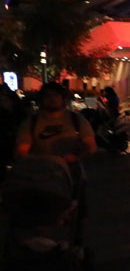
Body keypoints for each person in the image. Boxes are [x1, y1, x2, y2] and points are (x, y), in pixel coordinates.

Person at [14, 83, 97, 243]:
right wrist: (36, 159)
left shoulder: (76, 120)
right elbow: (21, 150)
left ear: (63, 99)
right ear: (41, 100)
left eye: (55, 96)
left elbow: (90, 146)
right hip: (39, 174)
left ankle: (76, 242)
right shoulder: (31, 123)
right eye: (47, 96)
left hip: (70, 172)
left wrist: (77, 157)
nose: (52, 100)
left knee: (77, 208)